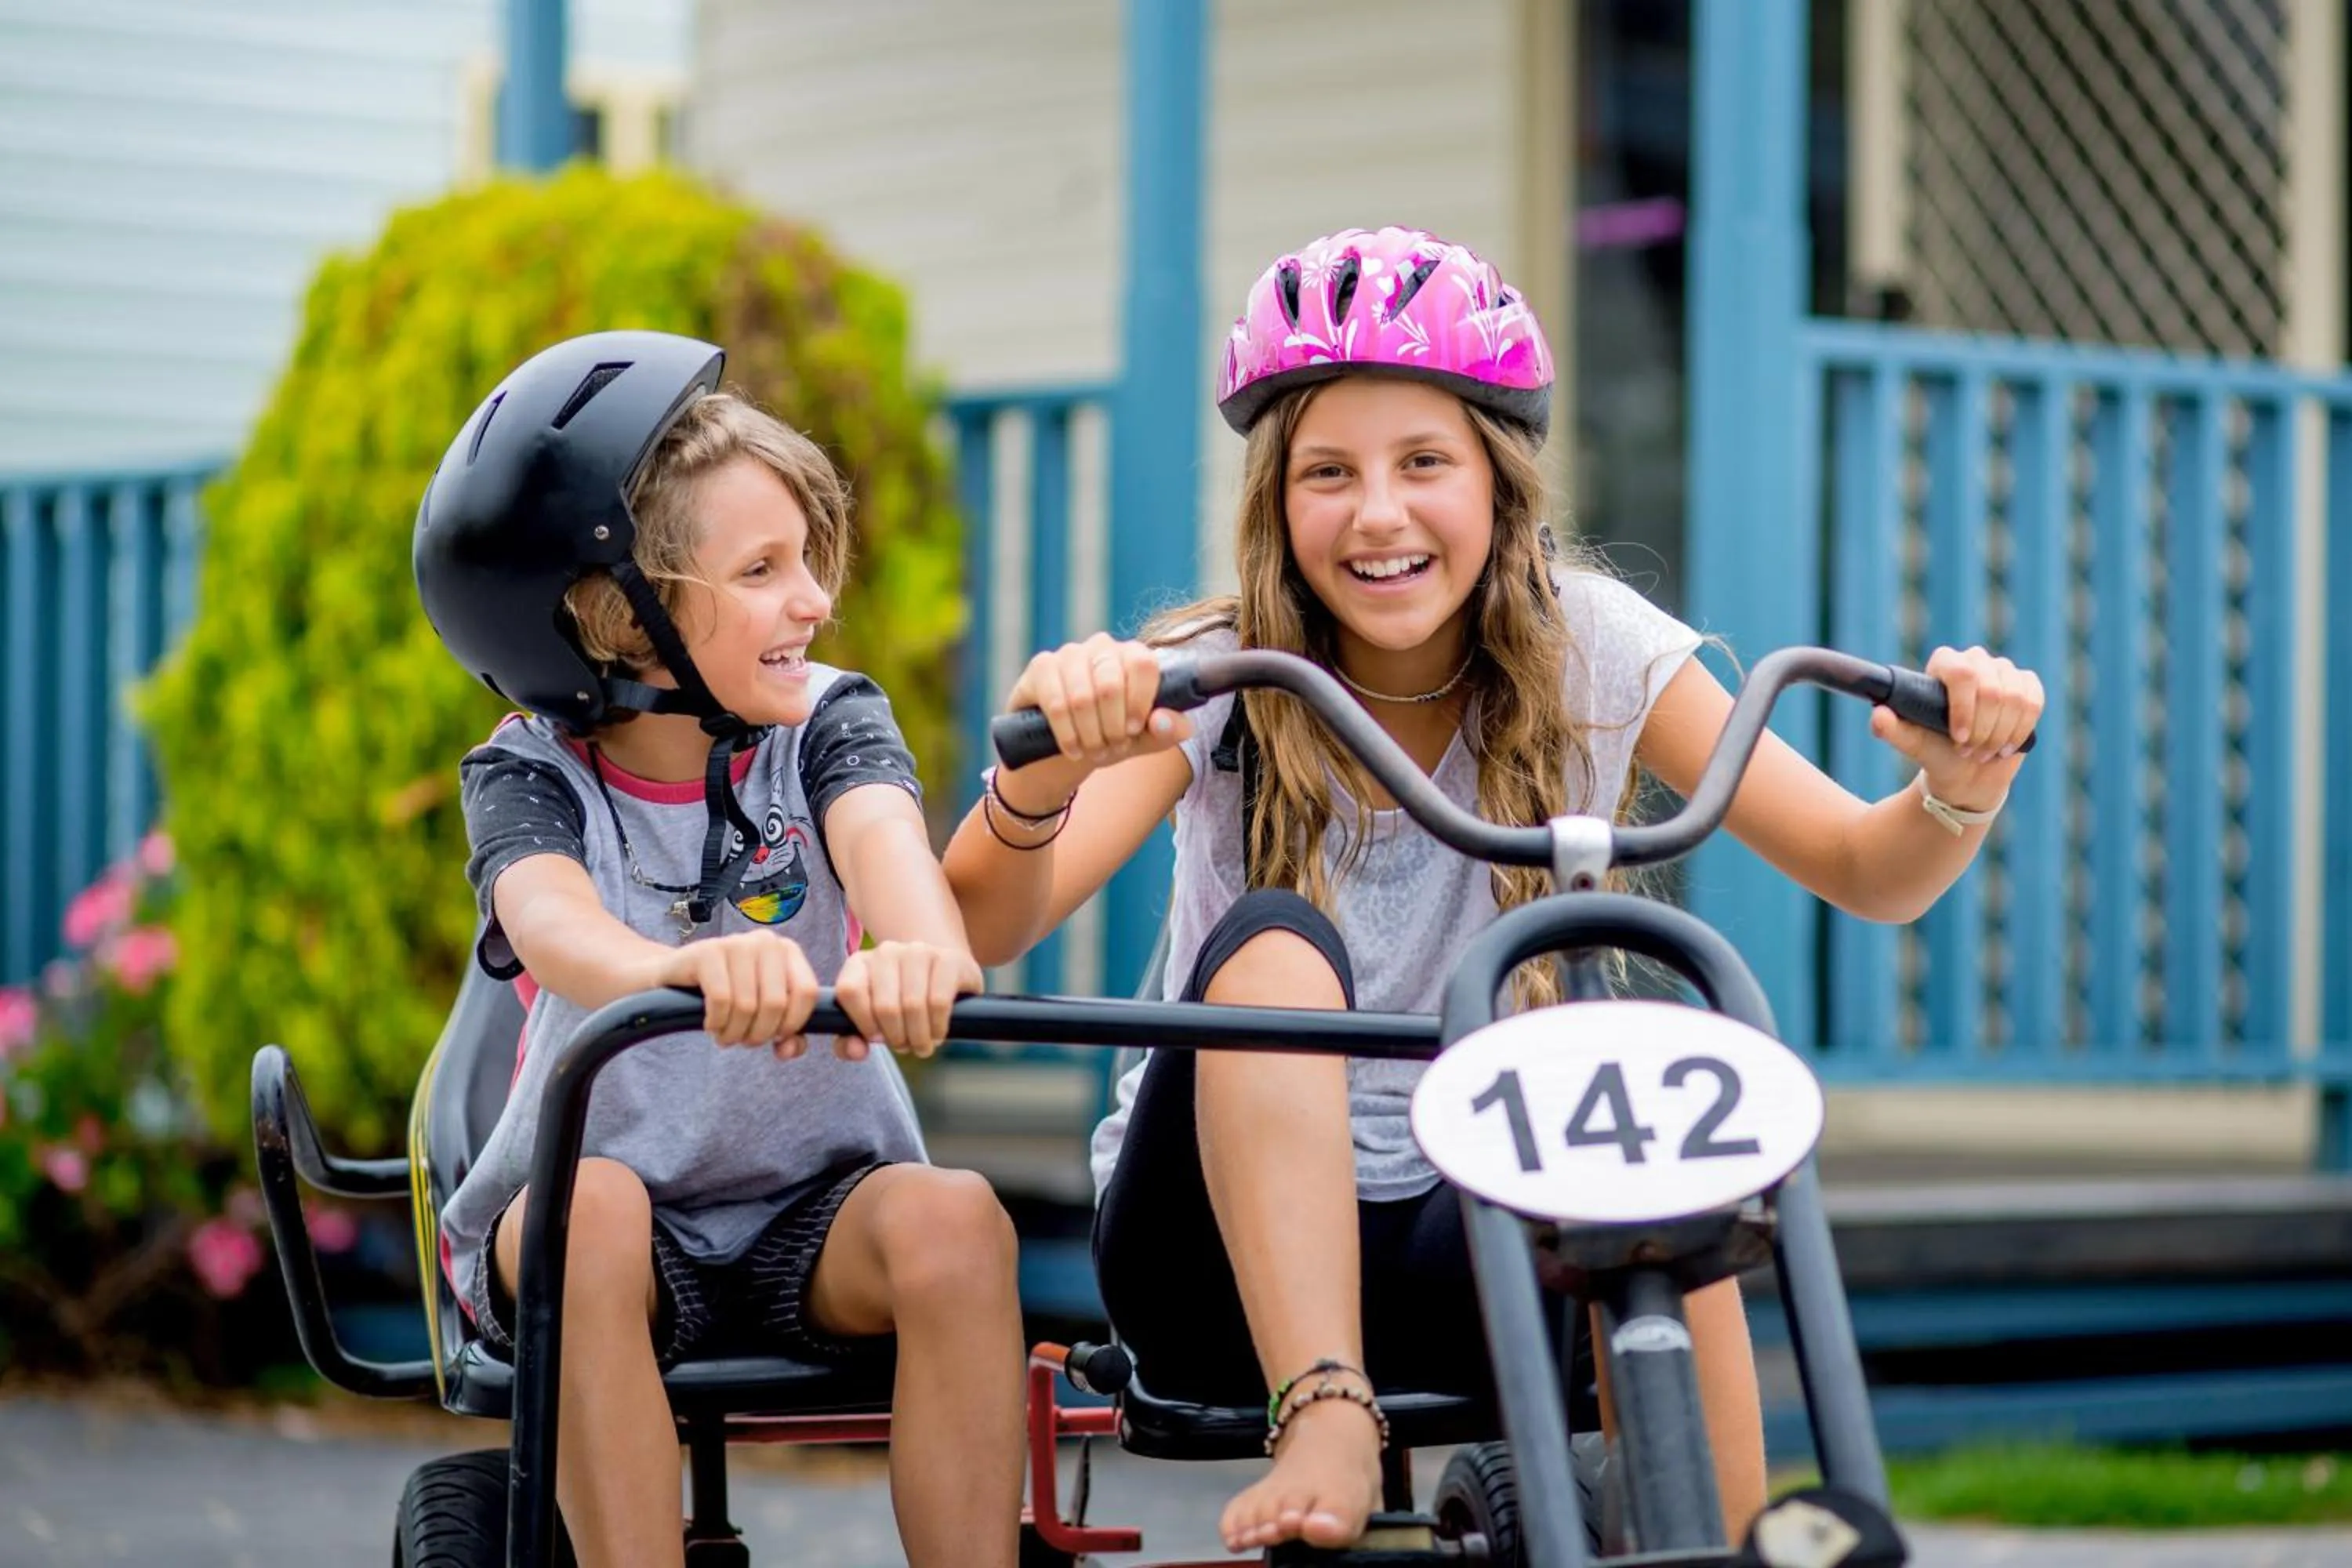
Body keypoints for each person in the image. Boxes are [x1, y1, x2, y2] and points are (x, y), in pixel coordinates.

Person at [943, 228, 2044, 1555]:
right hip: (1211, 1251)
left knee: (1652, 1138)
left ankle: (1734, 1539)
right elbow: (991, 920)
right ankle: (1327, 1405)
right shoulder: (1219, 676)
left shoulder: (1593, 649)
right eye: (1328, 474)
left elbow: (1869, 870)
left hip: (1474, 1214)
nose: (1379, 514)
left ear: (1499, 484)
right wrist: (1042, 777)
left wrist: (1961, 782)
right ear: (1277, 504)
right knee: (1276, 943)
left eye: (1425, 465)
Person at [416, 331, 1022, 1568]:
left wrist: (916, 947)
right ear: (613, 618)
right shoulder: (529, 771)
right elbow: (552, 924)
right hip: (604, 1222)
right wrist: (666, 972)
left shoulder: (826, 723)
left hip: (816, 1213)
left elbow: (891, 853)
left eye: (809, 562)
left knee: (959, 1222)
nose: (814, 601)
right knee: (586, 1213)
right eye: (762, 570)